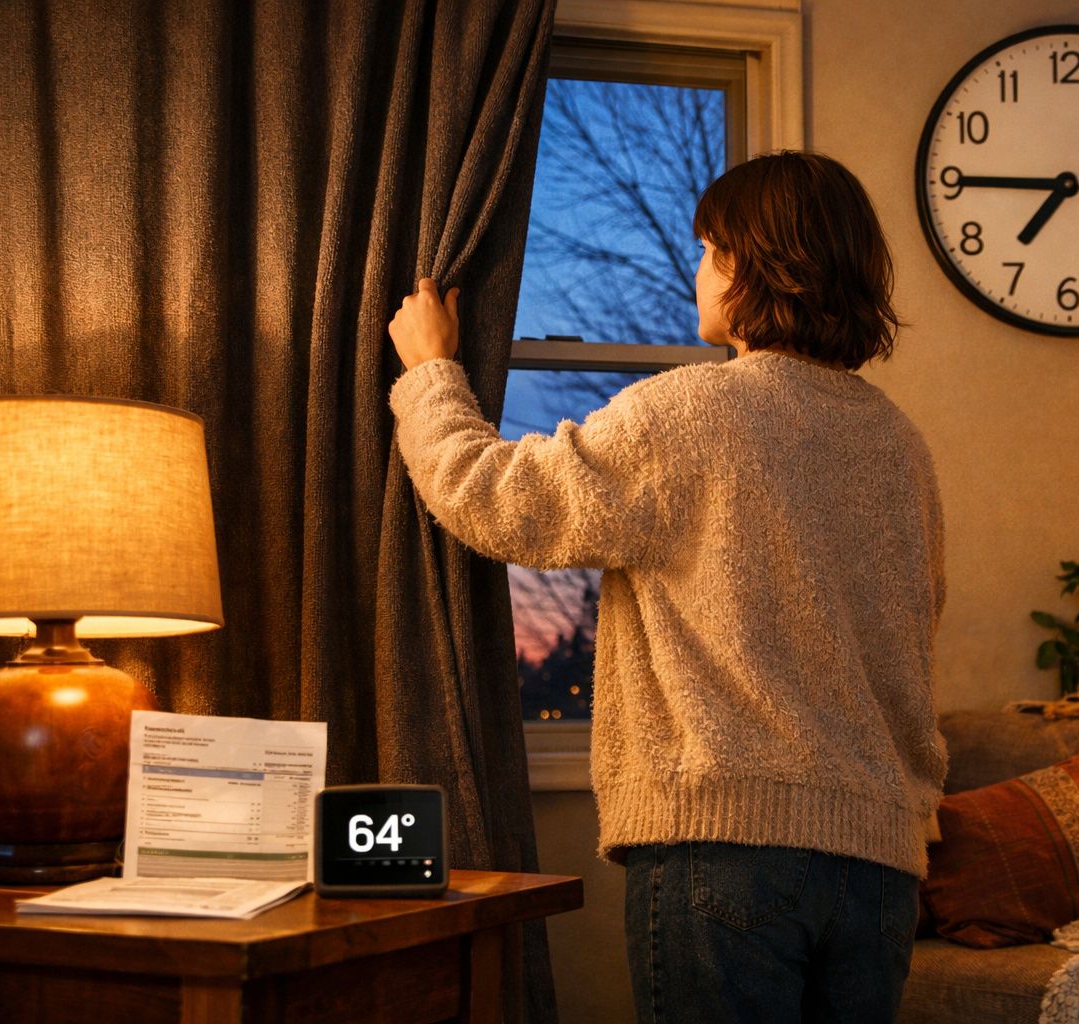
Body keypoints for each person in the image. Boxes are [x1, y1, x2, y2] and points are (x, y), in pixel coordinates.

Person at [388, 150, 947, 1023]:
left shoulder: (690, 413)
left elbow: (495, 501)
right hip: (880, 867)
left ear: (749, 263)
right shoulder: (898, 445)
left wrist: (429, 373)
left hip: (726, 849)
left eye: (707, 250)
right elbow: (918, 629)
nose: (698, 271)